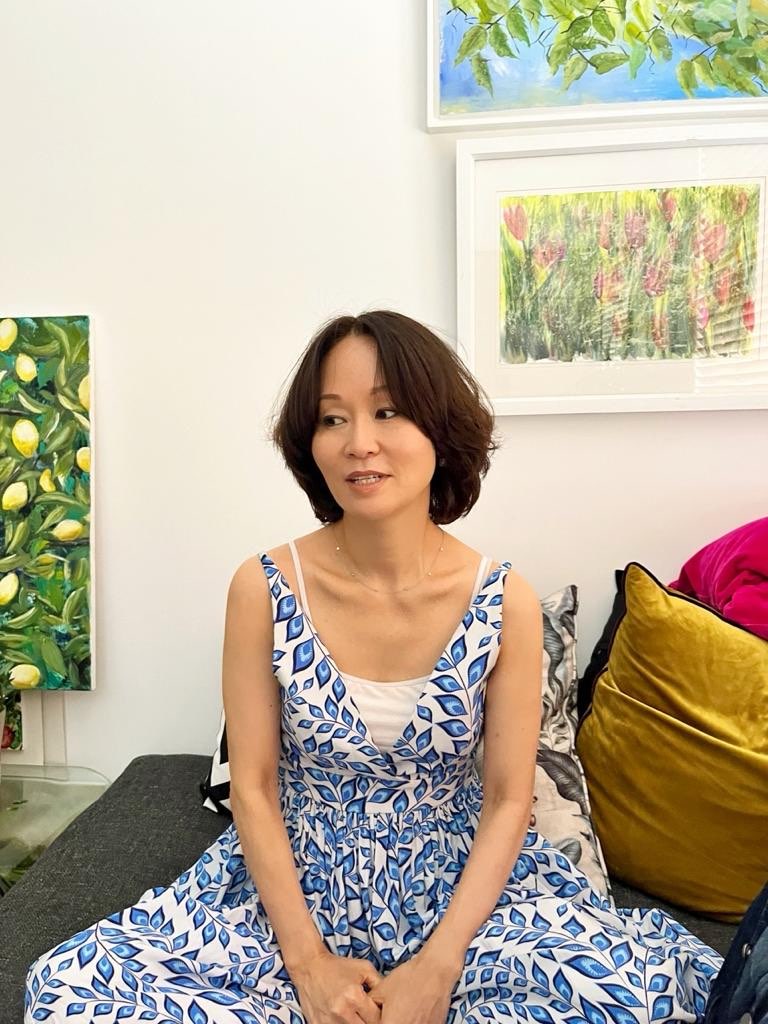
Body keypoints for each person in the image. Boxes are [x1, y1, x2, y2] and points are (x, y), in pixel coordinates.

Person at [24, 310, 761, 1022]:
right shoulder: (263, 588)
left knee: (623, 997)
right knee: (73, 995)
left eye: (387, 412)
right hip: (291, 891)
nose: (359, 443)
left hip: (462, 894)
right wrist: (308, 967)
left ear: (439, 428)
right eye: (332, 418)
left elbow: (510, 799)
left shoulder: (505, 600)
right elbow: (252, 785)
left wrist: (439, 967)